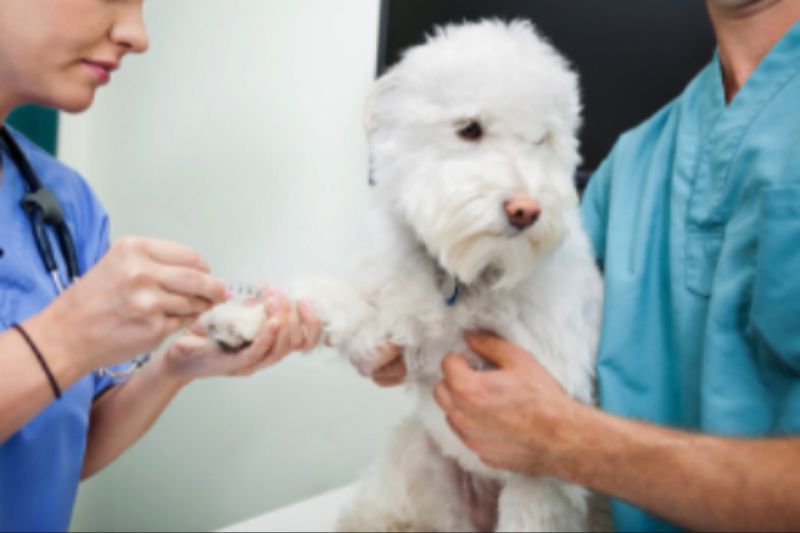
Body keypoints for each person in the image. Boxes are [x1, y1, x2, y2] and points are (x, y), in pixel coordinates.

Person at [376, 0, 800, 531]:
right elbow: (515, 310)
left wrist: (569, 441)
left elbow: (556, 431)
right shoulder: (634, 162)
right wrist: (377, 328)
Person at [0, 1, 321, 531]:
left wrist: (175, 368)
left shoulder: (61, 201)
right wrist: (68, 337)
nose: (137, 35)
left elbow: (50, 453)